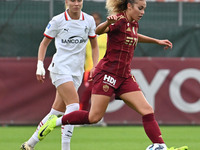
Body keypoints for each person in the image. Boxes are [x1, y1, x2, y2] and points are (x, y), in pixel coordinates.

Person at [37, 0, 188, 150]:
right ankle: (55, 123)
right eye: (140, 8)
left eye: (144, 9)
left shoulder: (133, 23)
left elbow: (134, 36)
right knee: (94, 117)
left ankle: (161, 147)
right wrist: (108, 23)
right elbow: (97, 31)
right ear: (129, 6)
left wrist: (157, 41)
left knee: (147, 110)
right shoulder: (119, 20)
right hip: (107, 74)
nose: (142, 12)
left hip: (125, 76)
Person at [20, 0, 99, 150]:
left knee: (56, 112)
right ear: (66, 2)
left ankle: (29, 144)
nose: (76, 3)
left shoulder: (88, 20)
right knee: (74, 105)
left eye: (79, 0)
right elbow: (44, 44)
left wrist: (95, 66)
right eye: (72, 0)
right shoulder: (58, 20)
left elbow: (94, 46)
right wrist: (39, 65)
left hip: (77, 71)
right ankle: (65, 148)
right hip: (60, 68)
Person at [80, 12, 107, 111]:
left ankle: (97, 115)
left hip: (104, 69)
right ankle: (81, 114)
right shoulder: (84, 35)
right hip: (90, 70)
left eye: (97, 19)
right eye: (93, 19)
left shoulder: (105, 36)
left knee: (102, 94)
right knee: (88, 92)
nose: (95, 21)